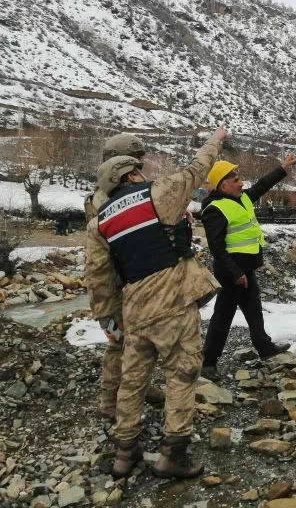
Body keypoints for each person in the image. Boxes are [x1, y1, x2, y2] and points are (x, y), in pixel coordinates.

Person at [85, 126, 227, 479]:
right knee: (182, 372)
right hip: (171, 300)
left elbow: (99, 276)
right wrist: (215, 140)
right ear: (130, 174)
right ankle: (173, 454)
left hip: (133, 307)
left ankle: (125, 453)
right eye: (139, 166)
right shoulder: (158, 193)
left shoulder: (98, 222)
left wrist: (107, 318)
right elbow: (198, 168)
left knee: (132, 380)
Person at [84, 133, 164, 420]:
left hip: (134, 279)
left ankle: (140, 387)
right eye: (136, 159)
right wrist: (103, 310)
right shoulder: (104, 197)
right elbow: (100, 262)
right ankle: (109, 402)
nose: (140, 165)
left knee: (141, 340)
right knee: (119, 343)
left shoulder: (116, 190)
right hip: (118, 283)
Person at [200, 154, 296, 380]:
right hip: (231, 272)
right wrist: (235, 273)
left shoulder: (241, 198)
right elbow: (216, 248)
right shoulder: (215, 209)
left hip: (246, 270)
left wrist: (282, 169)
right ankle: (208, 362)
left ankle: (265, 348)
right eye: (236, 180)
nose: (241, 183)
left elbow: (262, 185)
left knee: (254, 310)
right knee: (223, 317)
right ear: (223, 185)